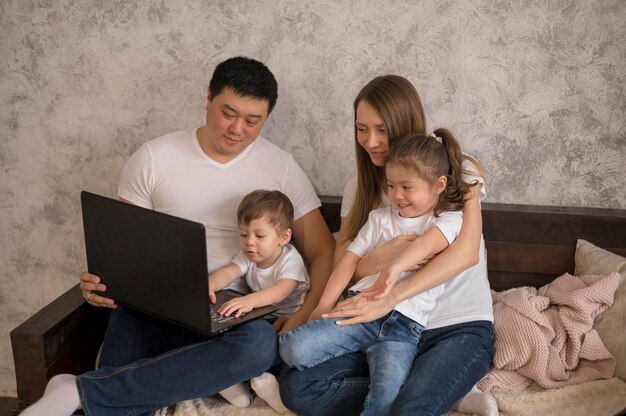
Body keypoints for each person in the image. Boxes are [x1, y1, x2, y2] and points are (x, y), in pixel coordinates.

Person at [22, 56, 335, 416]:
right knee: (126, 377)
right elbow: (125, 245)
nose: (237, 129)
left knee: (258, 345)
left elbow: (324, 251)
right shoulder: (154, 158)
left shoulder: (281, 167)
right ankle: (95, 391)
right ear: (208, 97)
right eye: (228, 113)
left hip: (234, 312)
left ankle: (77, 390)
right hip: (158, 303)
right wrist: (99, 282)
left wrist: (307, 312)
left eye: (253, 121)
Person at [279, 75, 498, 416]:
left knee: (409, 409)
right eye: (361, 128)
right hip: (381, 320)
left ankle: (430, 390)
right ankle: (448, 393)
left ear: (404, 123)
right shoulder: (361, 187)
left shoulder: (454, 167)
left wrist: (392, 288)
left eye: (382, 129)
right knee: (297, 387)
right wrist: (313, 311)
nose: (371, 141)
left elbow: (466, 252)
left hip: (453, 326)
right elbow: (348, 266)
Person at [209, 189, 308, 413]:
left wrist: (249, 301)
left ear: (283, 237)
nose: (249, 243)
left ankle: (275, 391)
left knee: (287, 351)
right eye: (243, 235)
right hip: (260, 316)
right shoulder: (248, 256)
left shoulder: (290, 259)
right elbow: (228, 271)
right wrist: (209, 285)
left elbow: (280, 292)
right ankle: (239, 386)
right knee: (231, 336)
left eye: (259, 236)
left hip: (291, 318)